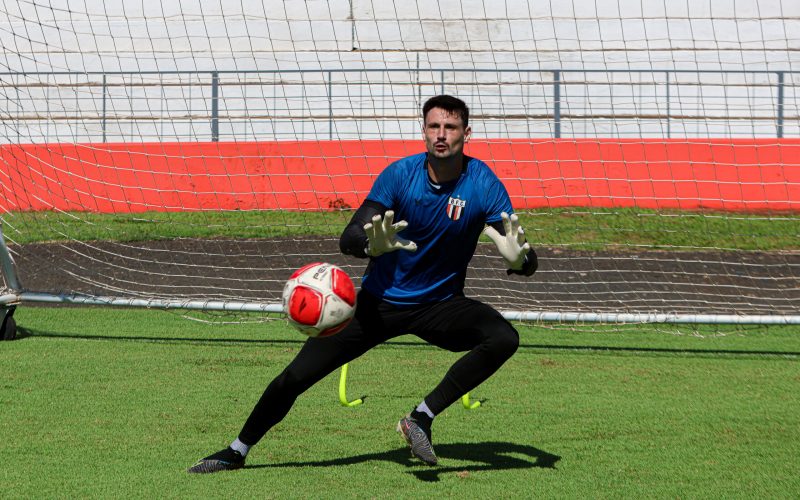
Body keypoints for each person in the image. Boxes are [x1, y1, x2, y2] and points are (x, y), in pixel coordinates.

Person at [188, 94, 538, 473]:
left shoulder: (483, 183)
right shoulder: (399, 175)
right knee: (295, 376)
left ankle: (421, 417)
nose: (441, 134)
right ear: (423, 131)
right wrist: (371, 245)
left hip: (441, 306)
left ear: (466, 134)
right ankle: (236, 451)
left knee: (503, 338)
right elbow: (349, 236)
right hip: (378, 304)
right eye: (434, 126)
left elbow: (522, 251)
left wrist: (521, 262)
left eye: (450, 127)